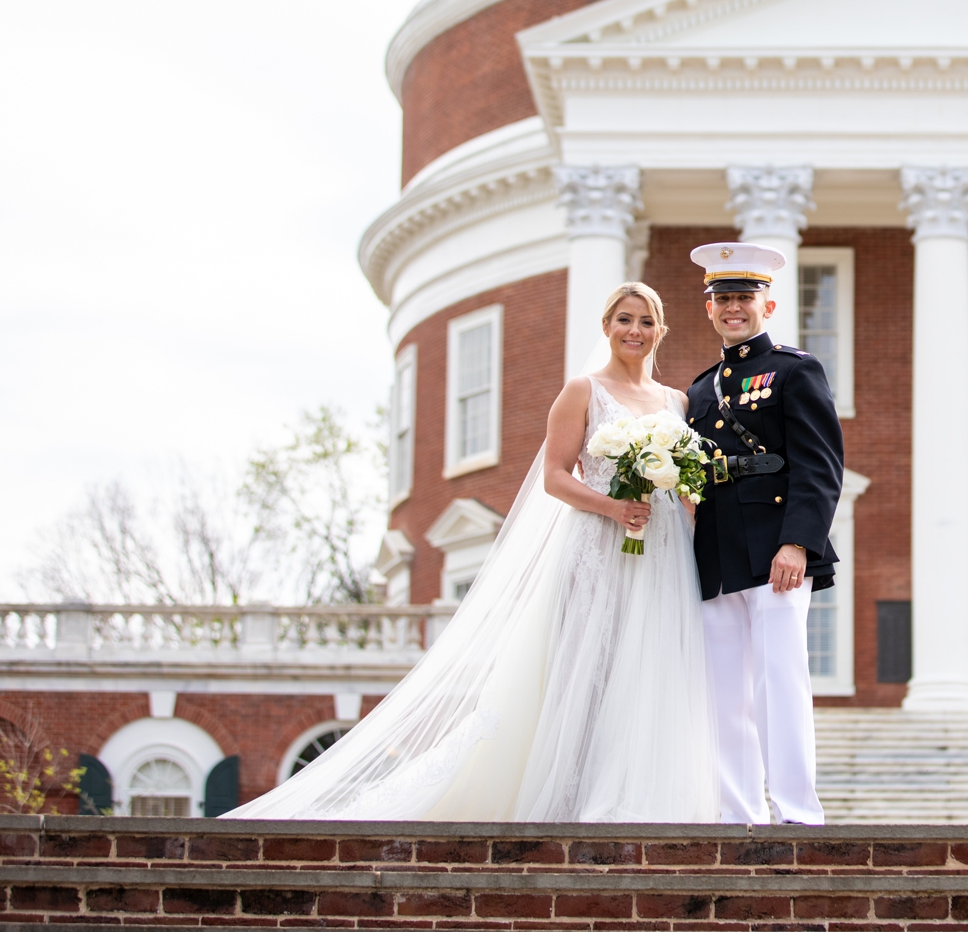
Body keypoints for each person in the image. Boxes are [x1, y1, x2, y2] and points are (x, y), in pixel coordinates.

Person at [225, 282, 715, 822]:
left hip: (662, 550)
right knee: (587, 666)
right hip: (599, 545)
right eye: (625, 319)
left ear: (660, 331)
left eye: (646, 322)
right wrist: (612, 507)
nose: (635, 332)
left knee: (650, 666)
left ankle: (637, 795)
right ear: (606, 326)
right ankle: (574, 794)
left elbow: (689, 483)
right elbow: (553, 478)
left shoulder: (678, 402)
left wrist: (688, 508)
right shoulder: (583, 391)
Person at [684, 242, 844, 825]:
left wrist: (797, 542)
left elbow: (820, 465)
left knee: (780, 683)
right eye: (722, 298)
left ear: (767, 306)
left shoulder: (796, 370)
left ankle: (799, 813)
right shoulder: (700, 391)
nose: (733, 308)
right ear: (709, 309)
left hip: (777, 548)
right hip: (717, 554)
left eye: (743, 298)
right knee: (727, 695)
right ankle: (739, 814)